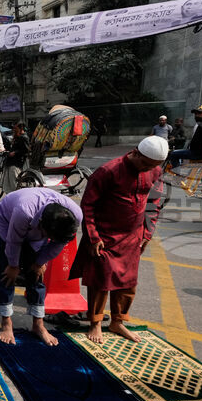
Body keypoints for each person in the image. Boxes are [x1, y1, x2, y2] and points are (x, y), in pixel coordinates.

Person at [71, 137, 167, 344]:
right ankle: (95, 322)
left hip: (133, 235)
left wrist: (147, 233)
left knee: (127, 281)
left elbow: (154, 203)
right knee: (101, 279)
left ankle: (118, 321)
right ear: (135, 152)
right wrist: (93, 237)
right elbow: (88, 205)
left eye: (153, 166)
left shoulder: (154, 171)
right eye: (145, 163)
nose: (147, 169)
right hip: (105, 236)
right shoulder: (108, 171)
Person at [0, 188, 82, 347]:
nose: (51, 240)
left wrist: (40, 262)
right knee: (6, 274)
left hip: (36, 232)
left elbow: (59, 244)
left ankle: (38, 324)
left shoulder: (74, 216)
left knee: (36, 275)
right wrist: (13, 265)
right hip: (7, 221)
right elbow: (13, 242)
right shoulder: (24, 211)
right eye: (50, 237)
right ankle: (6, 322)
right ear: (42, 226)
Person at [0, 122, 30, 194]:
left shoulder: (24, 137)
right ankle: (11, 195)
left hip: (16, 163)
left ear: (20, 129)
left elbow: (26, 150)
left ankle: (15, 195)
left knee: (14, 182)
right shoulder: (17, 137)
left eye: (16, 128)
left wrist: (15, 153)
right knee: (8, 181)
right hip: (11, 162)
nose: (14, 130)